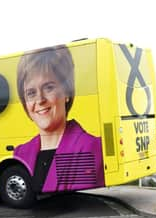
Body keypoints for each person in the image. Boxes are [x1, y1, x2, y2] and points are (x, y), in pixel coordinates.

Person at [14, 45, 104, 193]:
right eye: (31, 93)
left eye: (48, 88)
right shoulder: (20, 153)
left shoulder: (90, 147)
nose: (40, 99)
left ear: (67, 92)